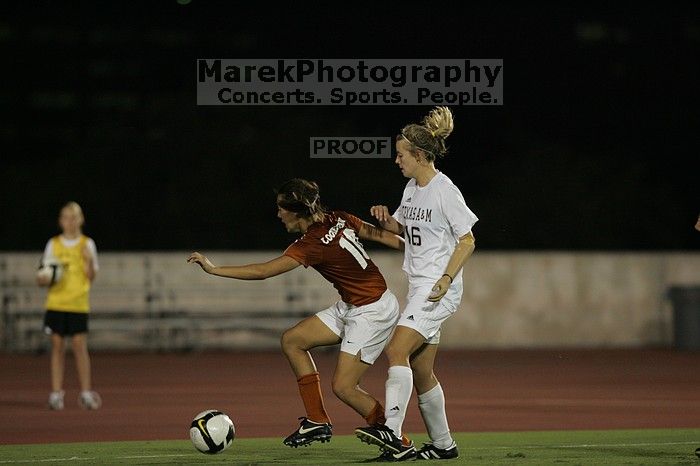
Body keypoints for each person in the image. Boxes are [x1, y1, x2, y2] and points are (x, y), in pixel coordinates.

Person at [187, 178, 404, 448]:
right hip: (353, 305)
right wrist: (420, 248)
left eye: (281, 208)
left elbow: (263, 272)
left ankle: (395, 438)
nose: (278, 214)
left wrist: (214, 269)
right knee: (293, 340)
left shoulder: (310, 244)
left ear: (296, 211)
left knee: (344, 388)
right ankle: (317, 421)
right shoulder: (338, 217)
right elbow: (386, 237)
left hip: (372, 311)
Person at [355, 106, 478, 461]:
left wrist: (445, 279)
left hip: (437, 288)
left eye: (401, 155)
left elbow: (467, 240)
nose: (397, 161)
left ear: (420, 155)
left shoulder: (445, 190)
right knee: (422, 370)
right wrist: (385, 220)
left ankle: (391, 433)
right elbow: (405, 230)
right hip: (419, 285)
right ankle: (444, 445)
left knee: (396, 351)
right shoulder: (412, 189)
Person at [37, 201, 102, 410]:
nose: (70, 222)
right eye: (66, 217)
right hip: (56, 302)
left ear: (80, 220)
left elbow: (91, 277)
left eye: (74, 217)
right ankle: (56, 394)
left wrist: (88, 262)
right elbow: (42, 276)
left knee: (79, 346)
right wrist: (44, 277)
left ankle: (85, 393)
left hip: (78, 303)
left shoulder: (87, 244)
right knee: (57, 347)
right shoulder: (53, 244)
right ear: (61, 221)